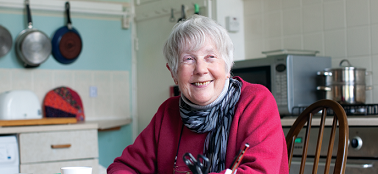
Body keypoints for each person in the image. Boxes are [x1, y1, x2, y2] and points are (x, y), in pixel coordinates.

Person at [108, 15, 289, 174]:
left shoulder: (255, 101)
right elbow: (123, 167)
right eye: (188, 59)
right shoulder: (168, 111)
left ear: (227, 67)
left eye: (210, 56)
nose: (201, 69)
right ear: (173, 73)